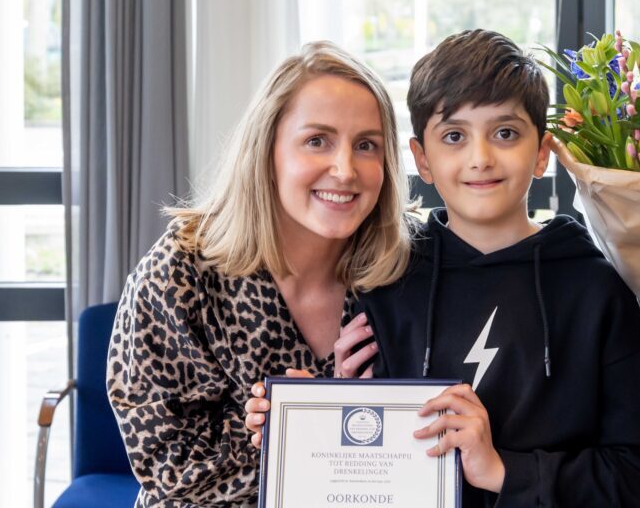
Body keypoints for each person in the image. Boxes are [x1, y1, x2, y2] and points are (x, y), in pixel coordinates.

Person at [245, 30, 640, 507]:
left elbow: (634, 478)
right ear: (422, 159)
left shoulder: (600, 286)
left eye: (505, 133)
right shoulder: (386, 279)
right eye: (454, 136)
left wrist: (502, 470)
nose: (480, 158)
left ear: (542, 153)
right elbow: (372, 463)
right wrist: (312, 420)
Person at [106, 41, 414, 507]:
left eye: (366, 145)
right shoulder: (179, 273)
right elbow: (169, 468)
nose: (346, 169)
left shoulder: (406, 270)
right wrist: (305, 420)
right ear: (267, 151)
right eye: (317, 140)